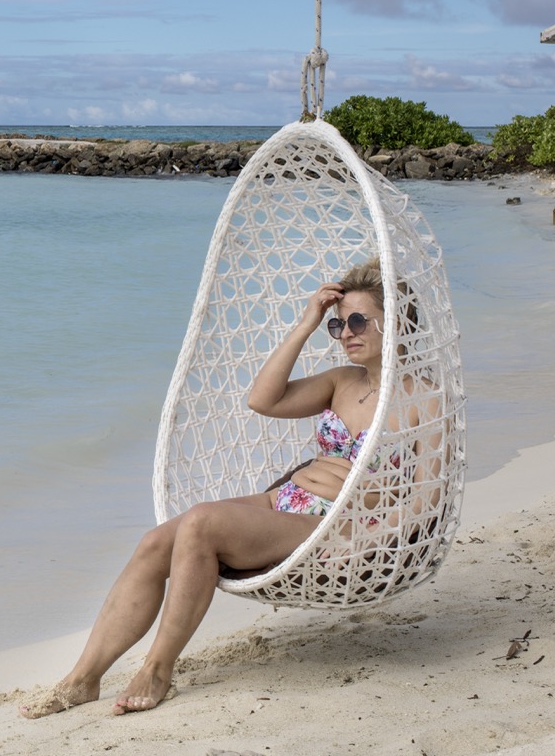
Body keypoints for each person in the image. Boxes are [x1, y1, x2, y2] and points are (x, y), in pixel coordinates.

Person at [20, 258, 397, 718]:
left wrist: (368, 543)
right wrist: (306, 325)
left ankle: (157, 669)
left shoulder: (421, 398)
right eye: (338, 325)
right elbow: (263, 399)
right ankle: (83, 679)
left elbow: (426, 496)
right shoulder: (342, 381)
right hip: (287, 500)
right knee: (156, 542)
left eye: (358, 321)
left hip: (335, 522)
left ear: (394, 321)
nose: (346, 333)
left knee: (201, 523)